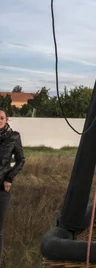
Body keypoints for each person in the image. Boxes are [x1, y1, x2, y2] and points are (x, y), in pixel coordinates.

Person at [0, 109, 25, 257]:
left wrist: (9, 178)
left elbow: (21, 160)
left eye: (2, 118)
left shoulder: (13, 137)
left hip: (2, 188)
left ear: (6, 120)